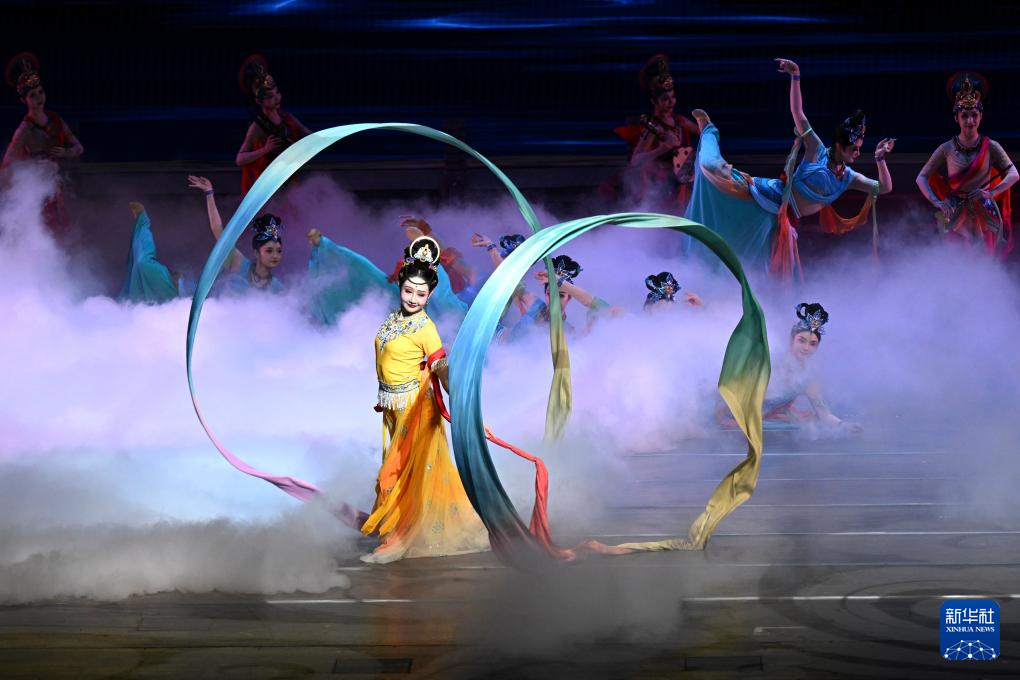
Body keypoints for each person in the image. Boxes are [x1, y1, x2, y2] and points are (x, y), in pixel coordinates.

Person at [685, 58, 895, 279]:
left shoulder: (848, 177)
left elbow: (884, 188)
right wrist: (795, 76)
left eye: (860, 149)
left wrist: (880, 159)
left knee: (765, 274)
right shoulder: (817, 151)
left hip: (782, 222)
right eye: (854, 148)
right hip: (768, 196)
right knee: (712, 168)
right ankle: (708, 130)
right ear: (839, 145)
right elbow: (798, 113)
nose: (858, 153)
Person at [361, 235, 490, 563]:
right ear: (400, 286)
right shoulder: (393, 319)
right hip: (395, 410)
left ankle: (398, 538)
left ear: (430, 295)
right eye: (409, 291)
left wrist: (458, 401)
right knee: (406, 474)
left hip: (417, 410)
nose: (413, 298)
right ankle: (400, 530)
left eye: (421, 294)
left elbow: (440, 365)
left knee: (395, 475)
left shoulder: (425, 327)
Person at [916, 72, 1017, 256]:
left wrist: (991, 193)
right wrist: (938, 202)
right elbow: (921, 177)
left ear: (981, 116)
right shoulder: (946, 148)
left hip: (983, 211)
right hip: (956, 210)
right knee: (956, 259)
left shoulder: (991, 146)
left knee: (985, 259)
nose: (970, 121)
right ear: (956, 118)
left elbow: (1014, 174)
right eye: (964, 116)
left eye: (974, 115)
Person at [719, 303, 861, 433]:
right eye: (802, 341)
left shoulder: (807, 379)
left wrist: (843, 425)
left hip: (760, 422)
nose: (806, 348)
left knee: (809, 422)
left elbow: (823, 414)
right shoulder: (769, 361)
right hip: (729, 414)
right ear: (791, 340)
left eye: (812, 344)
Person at [3, 52, 83, 233]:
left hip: (56, 184)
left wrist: (66, 152)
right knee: (42, 227)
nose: (39, 98)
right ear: (24, 100)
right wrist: (29, 170)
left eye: (41, 92)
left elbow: (79, 147)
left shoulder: (55, 119)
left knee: (62, 226)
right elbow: (7, 163)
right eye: (33, 95)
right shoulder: (25, 129)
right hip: (36, 188)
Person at [188, 175, 284, 294]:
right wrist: (209, 194)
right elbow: (218, 231)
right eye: (269, 250)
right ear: (256, 253)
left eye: (279, 251)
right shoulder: (240, 264)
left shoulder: (278, 287)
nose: (275, 255)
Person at [235, 55, 311, 196]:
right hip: (266, 186)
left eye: (277, 93)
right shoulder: (256, 128)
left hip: (287, 180)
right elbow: (240, 159)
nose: (276, 98)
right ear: (259, 101)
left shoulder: (287, 118)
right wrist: (265, 150)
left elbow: (306, 132)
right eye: (270, 97)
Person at [119, 201, 181, 304]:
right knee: (138, 272)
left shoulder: (145, 232)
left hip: (145, 265)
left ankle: (171, 279)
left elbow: (145, 257)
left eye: (135, 213)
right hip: (139, 270)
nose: (134, 216)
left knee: (143, 264)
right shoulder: (138, 234)